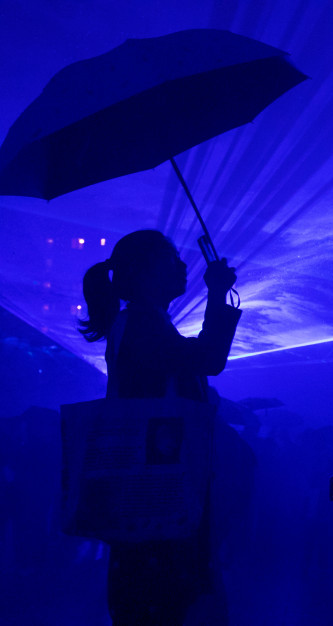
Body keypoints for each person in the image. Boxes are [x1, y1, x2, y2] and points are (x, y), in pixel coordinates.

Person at [79, 229, 240, 625]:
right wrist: (218, 295)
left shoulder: (135, 322)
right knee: (162, 595)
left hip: (143, 487)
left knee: (148, 592)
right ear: (143, 271)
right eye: (171, 259)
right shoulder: (142, 323)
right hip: (156, 492)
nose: (184, 265)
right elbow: (207, 358)